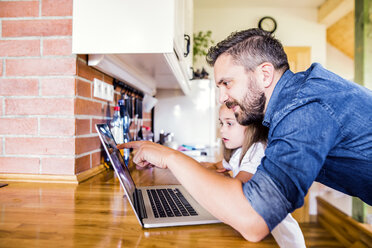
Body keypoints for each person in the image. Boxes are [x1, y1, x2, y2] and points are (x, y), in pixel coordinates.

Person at [117, 28, 372, 242]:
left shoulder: (302, 108)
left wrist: (170, 157)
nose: (222, 97)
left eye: (227, 83)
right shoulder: (291, 102)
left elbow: (253, 220)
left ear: (264, 74)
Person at [202, 104, 306, 247]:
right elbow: (214, 166)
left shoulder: (257, 150)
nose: (222, 129)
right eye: (221, 123)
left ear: (251, 126)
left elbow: (235, 192)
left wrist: (222, 180)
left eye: (229, 123)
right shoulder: (238, 152)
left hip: (281, 241)